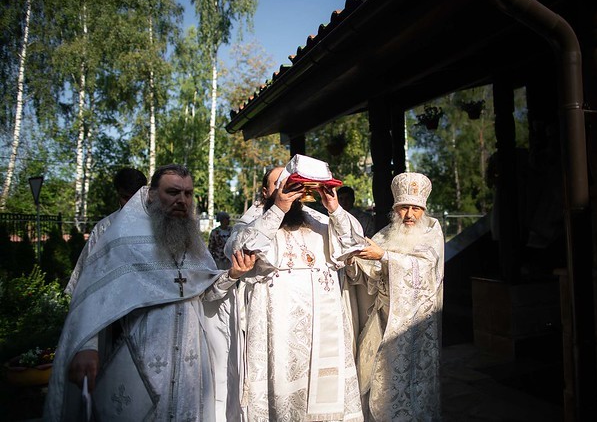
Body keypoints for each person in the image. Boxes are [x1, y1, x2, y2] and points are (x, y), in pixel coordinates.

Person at [43, 164, 255, 422]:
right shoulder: (120, 237)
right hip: (140, 356)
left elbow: (205, 293)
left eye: (188, 194)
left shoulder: (193, 242)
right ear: (152, 194)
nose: (182, 200)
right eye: (173, 192)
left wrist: (232, 274)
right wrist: (88, 346)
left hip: (190, 362)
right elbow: (93, 296)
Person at [219, 154, 366, 421]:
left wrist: (334, 208)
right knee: (285, 399)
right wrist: (278, 209)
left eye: (292, 183)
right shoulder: (253, 222)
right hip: (278, 329)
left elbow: (355, 243)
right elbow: (239, 249)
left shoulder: (319, 219)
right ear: (266, 192)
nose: (286, 189)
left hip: (325, 326)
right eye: (278, 184)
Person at [346, 172, 445, 421]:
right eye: (403, 207)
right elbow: (369, 274)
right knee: (374, 377)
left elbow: (426, 269)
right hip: (382, 318)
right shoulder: (384, 235)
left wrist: (384, 257)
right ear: (395, 209)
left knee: (411, 380)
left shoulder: (432, 232)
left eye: (415, 208)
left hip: (415, 326)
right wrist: (354, 260)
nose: (409, 215)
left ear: (423, 210)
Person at [64, 167, 148, 295]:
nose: (130, 204)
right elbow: (87, 268)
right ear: (118, 194)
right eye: (125, 197)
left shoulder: (157, 225)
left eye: (135, 198)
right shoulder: (104, 228)